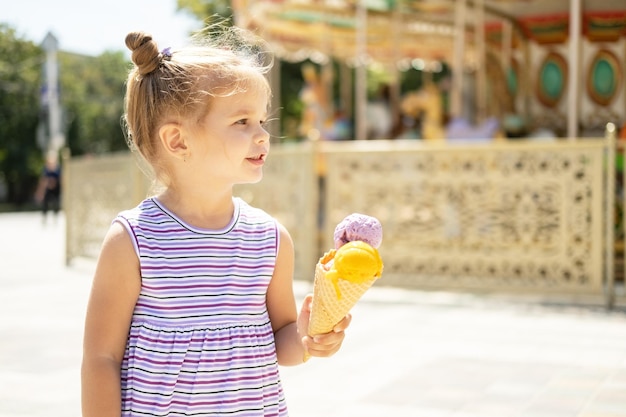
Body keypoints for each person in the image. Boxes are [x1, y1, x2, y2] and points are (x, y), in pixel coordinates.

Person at [81, 25, 351, 417]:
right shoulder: (134, 240)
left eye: (262, 121)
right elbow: (101, 358)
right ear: (178, 141)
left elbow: (282, 342)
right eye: (242, 122)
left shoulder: (270, 239)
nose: (261, 136)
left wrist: (310, 337)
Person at [35, 150, 61, 223]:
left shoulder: (58, 169)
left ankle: (55, 217)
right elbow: (43, 181)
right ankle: (44, 217)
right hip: (48, 188)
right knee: (45, 203)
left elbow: (61, 179)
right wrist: (40, 192)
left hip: (56, 189)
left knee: (56, 203)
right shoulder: (46, 170)